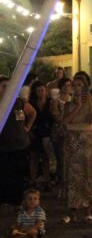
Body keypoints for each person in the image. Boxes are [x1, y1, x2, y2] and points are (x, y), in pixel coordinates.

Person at [61, 74, 92, 224]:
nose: (77, 88)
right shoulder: (68, 104)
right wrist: (77, 107)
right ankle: (71, 211)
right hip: (71, 138)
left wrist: (87, 103)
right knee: (71, 174)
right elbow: (66, 120)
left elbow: (91, 118)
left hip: (86, 138)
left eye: (80, 85)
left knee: (85, 173)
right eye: (74, 85)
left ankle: (87, 211)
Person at [0, 76, 36, 208]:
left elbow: (31, 112)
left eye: (8, 86)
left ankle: (20, 201)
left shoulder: (17, 102)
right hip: (4, 145)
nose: (6, 89)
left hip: (20, 143)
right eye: (3, 86)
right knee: (5, 173)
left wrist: (27, 127)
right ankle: (6, 199)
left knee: (19, 173)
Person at [28, 81, 54, 190]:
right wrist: (29, 131)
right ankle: (32, 180)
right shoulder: (31, 103)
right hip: (35, 132)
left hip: (47, 132)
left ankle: (46, 180)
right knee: (34, 157)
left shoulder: (50, 103)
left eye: (42, 90)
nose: (41, 92)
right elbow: (26, 118)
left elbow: (54, 118)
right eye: (38, 90)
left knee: (45, 158)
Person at [49, 77, 72, 197]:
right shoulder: (56, 101)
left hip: (72, 132)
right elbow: (57, 117)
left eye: (69, 85)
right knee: (61, 160)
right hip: (60, 133)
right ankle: (62, 186)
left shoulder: (74, 99)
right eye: (65, 85)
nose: (67, 87)